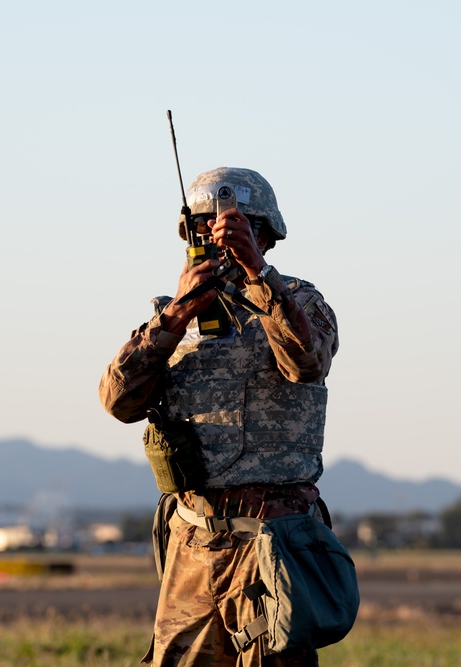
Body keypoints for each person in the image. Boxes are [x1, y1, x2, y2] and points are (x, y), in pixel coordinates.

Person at [98, 167, 339, 666]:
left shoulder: (302, 302)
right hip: (194, 541)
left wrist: (258, 276)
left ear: (265, 234)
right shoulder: (170, 316)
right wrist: (175, 317)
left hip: (275, 544)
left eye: (236, 227)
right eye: (205, 226)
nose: (218, 235)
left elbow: (306, 362)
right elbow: (118, 401)